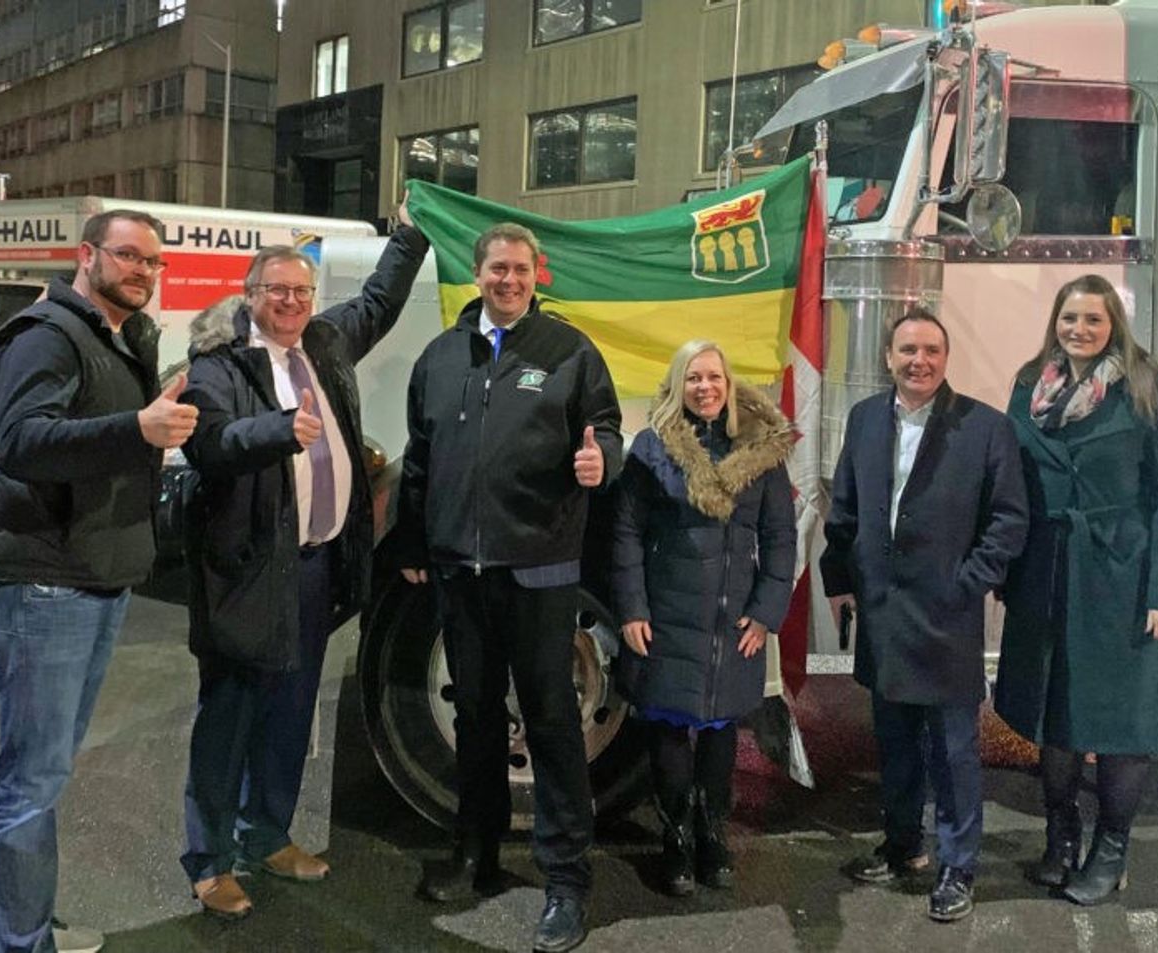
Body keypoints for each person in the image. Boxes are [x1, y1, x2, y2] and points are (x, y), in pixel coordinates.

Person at [176, 200, 428, 920]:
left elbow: (378, 302)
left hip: (317, 566)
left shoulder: (324, 341)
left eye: (300, 290)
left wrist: (412, 235)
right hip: (251, 569)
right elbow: (211, 442)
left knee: (290, 711)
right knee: (230, 715)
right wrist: (279, 430)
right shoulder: (220, 363)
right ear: (250, 295)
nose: (290, 302)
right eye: (276, 290)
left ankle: (267, 834)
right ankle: (210, 861)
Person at [0, 210, 197, 953]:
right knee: (32, 779)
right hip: (45, 579)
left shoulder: (115, 336)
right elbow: (19, 440)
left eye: (153, 262)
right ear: (87, 254)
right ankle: (15, 939)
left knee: (41, 772)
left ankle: (5, 919)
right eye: (128, 256)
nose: (142, 271)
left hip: (90, 574)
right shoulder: (46, 334)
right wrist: (137, 429)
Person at [396, 222, 620, 953]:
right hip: (462, 572)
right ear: (479, 272)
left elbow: (606, 430)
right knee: (477, 719)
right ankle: (477, 850)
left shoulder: (569, 351)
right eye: (497, 268)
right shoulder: (440, 357)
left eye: (521, 269)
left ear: (536, 273)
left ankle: (566, 881)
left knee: (552, 722)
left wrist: (602, 461)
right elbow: (421, 457)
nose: (509, 280)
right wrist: (413, 540)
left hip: (540, 571)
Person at [820, 307, 1028, 923]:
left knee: (954, 752)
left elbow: (1009, 519)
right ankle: (902, 845)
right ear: (889, 357)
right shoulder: (864, 419)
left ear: (945, 358)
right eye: (908, 350)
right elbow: (845, 506)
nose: (920, 361)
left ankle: (958, 866)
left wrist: (969, 583)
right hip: (883, 614)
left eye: (931, 350)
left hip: (946, 617)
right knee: (895, 744)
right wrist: (839, 578)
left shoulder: (985, 427)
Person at [995, 275, 1158, 905]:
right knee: (1055, 714)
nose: (1078, 329)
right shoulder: (1031, 384)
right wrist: (1005, 568)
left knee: (1119, 720)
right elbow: (1011, 480)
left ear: (1114, 326)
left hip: (1123, 576)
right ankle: (1060, 841)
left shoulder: (1151, 388)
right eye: (1069, 318)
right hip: (1046, 573)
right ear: (1055, 321)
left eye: (1093, 320)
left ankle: (1111, 852)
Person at [610, 340, 795, 897]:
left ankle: (712, 837)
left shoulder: (760, 452)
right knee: (668, 730)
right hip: (667, 616)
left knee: (720, 733)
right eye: (693, 378)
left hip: (733, 624)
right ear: (677, 386)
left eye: (714, 377)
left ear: (729, 384)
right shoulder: (651, 449)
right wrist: (632, 609)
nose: (705, 387)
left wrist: (765, 613)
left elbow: (780, 538)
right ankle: (675, 842)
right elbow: (626, 533)